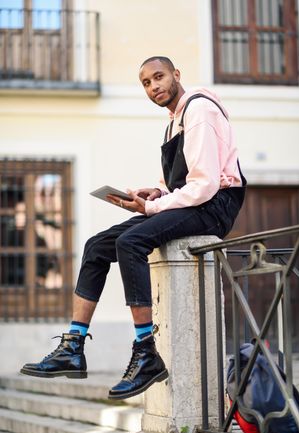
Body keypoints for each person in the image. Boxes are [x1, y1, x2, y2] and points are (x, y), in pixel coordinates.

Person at [20, 56, 246, 400]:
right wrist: (156, 193)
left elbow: (205, 185)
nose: (154, 86)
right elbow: (183, 183)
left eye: (159, 77)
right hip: (194, 201)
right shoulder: (174, 121)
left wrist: (152, 207)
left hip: (216, 206)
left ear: (176, 75)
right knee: (97, 245)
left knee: (130, 242)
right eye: (145, 83)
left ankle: (146, 353)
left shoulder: (198, 111)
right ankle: (73, 346)